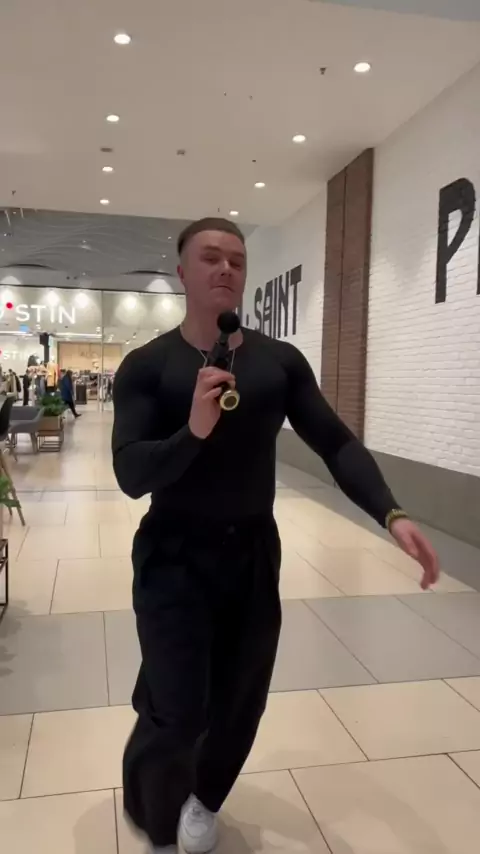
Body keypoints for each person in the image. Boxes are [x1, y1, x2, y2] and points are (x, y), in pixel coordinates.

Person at [112, 217, 440, 854]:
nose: (226, 268)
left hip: (252, 556)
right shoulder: (147, 366)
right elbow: (130, 474)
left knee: (242, 699)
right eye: (210, 257)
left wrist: (391, 513)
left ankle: (207, 798)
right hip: (173, 556)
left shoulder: (278, 363)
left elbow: (335, 442)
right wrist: (193, 431)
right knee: (178, 710)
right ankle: (152, 803)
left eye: (236, 259)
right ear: (181, 273)